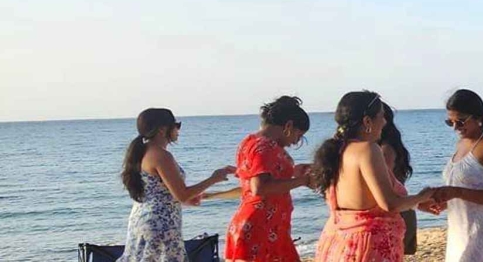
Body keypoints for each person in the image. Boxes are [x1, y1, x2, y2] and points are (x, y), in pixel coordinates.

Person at [311, 91, 434, 262]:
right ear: (367, 121)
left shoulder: (335, 152)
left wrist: (416, 203)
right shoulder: (368, 149)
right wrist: (423, 196)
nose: (384, 122)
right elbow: (389, 203)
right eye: (381, 116)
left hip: (337, 242)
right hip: (366, 246)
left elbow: (362, 199)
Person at [120, 108, 235, 262]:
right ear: (162, 130)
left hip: (142, 219)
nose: (178, 130)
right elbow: (182, 194)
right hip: (161, 225)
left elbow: (159, 191)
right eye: (176, 125)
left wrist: (184, 199)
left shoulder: (143, 152)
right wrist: (214, 178)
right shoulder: (161, 156)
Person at [425, 89, 483, 262]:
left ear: (479, 118)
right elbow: (467, 190)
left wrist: (456, 192)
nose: (455, 128)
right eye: (450, 122)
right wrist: (443, 201)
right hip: (459, 232)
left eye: (460, 122)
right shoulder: (461, 144)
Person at [226, 95, 313, 262]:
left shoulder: (251, 141)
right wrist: (303, 181)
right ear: (288, 126)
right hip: (261, 227)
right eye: (299, 135)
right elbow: (260, 187)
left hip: (267, 226)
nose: (296, 142)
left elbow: (262, 175)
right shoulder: (265, 146)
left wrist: (294, 171)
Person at [377, 103, 419, 257]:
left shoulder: (385, 149)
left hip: (395, 214)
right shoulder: (389, 146)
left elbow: (385, 184)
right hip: (400, 210)